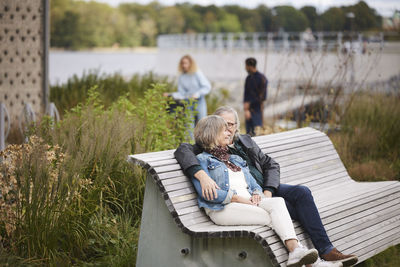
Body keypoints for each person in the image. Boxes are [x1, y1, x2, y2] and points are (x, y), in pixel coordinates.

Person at [174, 106, 358, 267]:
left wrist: (265, 192)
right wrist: (201, 174)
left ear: (237, 126)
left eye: (231, 125)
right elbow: (183, 151)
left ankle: (325, 250)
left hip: (259, 189)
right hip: (234, 200)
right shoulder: (203, 151)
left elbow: (270, 165)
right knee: (283, 211)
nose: (228, 129)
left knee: (300, 193)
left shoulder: (243, 144)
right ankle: (311, 261)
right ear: (213, 128)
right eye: (224, 125)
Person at [193, 115, 319, 267]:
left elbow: (254, 185)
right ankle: (308, 260)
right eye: (224, 131)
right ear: (211, 133)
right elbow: (208, 194)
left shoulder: (234, 159)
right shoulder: (202, 160)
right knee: (272, 217)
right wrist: (239, 199)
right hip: (223, 208)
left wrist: (257, 194)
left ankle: (298, 254)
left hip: (248, 203)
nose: (229, 133)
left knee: (278, 202)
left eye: (229, 130)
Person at [165, 55, 211, 125]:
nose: (184, 65)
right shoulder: (181, 76)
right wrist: (170, 94)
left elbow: (207, 87)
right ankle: (190, 136)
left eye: (186, 63)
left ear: (190, 64)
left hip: (199, 101)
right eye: (182, 63)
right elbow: (181, 93)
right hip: (188, 102)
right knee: (188, 125)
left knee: (202, 123)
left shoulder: (197, 73)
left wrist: (197, 94)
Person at [243, 57, 267, 136]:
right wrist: (246, 109)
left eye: (246, 66)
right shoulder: (248, 78)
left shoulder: (262, 78)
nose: (245, 68)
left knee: (257, 133)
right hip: (248, 111)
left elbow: (263, 97)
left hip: (257, 110)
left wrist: (249, 104)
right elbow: (246, 94)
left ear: (250, 66)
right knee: (248, 135)